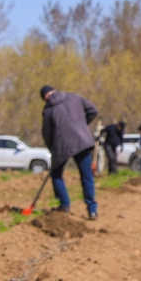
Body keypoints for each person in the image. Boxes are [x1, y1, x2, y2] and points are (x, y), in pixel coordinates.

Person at [40, 85, 99, 219]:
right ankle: (92, 210)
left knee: (56, 174)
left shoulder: (48, 109)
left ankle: (64, 205)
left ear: (46, 96)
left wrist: (52, 148)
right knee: (87, 176)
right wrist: (82, 126)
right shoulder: (74, 97)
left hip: (61, 145)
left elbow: (47, 133)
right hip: (82, 141)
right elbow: (93, 110)